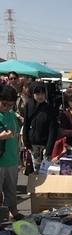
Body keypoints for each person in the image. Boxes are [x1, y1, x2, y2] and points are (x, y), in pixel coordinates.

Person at [23, 81, 58, 173]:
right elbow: (26, 124)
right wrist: (26, 142)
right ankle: (37, 186)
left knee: (45, 170)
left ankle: (46, 187)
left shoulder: (49, 108)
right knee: (36, 169)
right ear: (32, 94)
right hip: (33, 143)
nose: (40, 96)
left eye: (42, 93)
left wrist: (49, 148)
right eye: (37, 93)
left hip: (46, 144)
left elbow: (53, 130)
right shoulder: (28, 106)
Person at [0, 84, 22, 220]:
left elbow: (16, 134)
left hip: (11, 158)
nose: (7, 108)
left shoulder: (12, 114)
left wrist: (18, 156)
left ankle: (13, 212)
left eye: (11, 105)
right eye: (5, 104)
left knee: (11, 189)